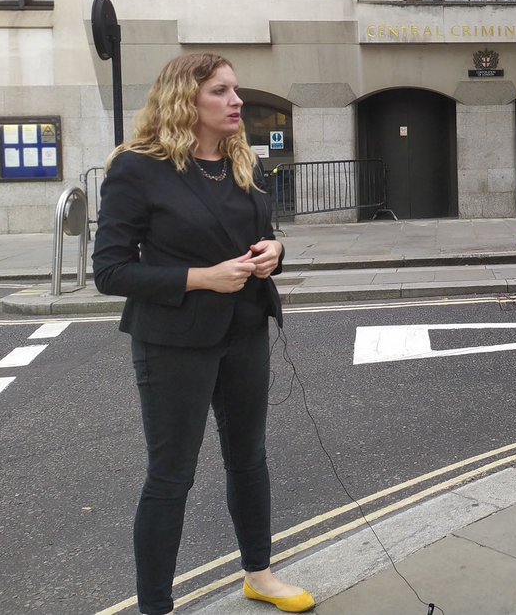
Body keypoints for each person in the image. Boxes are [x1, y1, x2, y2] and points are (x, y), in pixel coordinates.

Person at [93, 53, 315, 615]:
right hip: (173, 342)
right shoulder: (137, 169)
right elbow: (110, 270)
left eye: (235, 90)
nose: (236, 101)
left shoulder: (243, 162)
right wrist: (201, 279)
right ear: (184, 100)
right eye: (220, 91)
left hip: (245, 331)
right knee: (171, 474)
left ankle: (259, 573)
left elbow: (262, 234)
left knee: (250, 458)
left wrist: (276, 251)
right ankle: (155, 606)